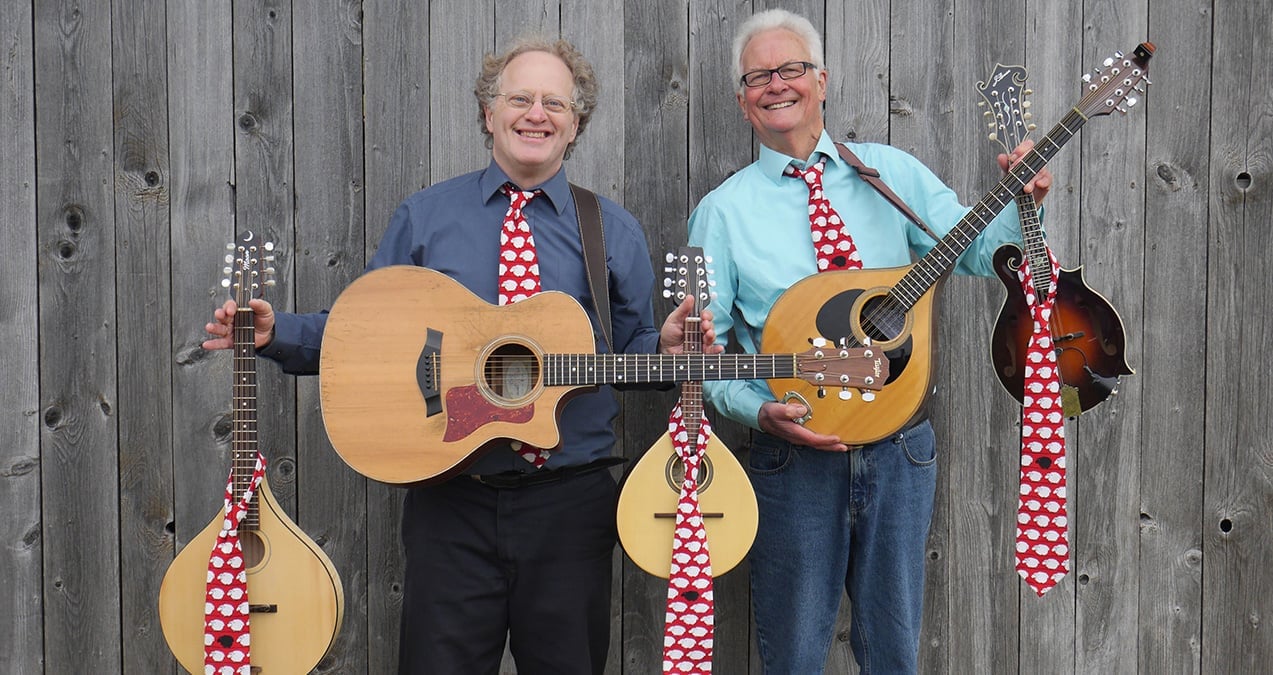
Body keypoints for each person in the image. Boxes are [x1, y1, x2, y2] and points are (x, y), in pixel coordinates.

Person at [204, 37, 716, 675]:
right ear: (488, 113)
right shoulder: (426, 217)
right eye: (520, 98)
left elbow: (633, 357)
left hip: (569, 505)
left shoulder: (610, 229)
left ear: (576, 123)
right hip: (450, 501)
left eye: (554, 102)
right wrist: (277, 333)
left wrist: (668, 352)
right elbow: (363, 335)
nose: (537, 113)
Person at [687, 9, 1052, 674]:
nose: (777, 84)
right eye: (758, 76)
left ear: (821, 80)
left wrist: (1025, 202)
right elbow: (698, 353)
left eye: (791, 68)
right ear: (742, 100)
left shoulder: (890, 173)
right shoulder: (722, 213)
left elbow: (984, 255)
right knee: (793, 655)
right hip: (791, 460)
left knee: (893, 656)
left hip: (897, 450)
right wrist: (754, 409)